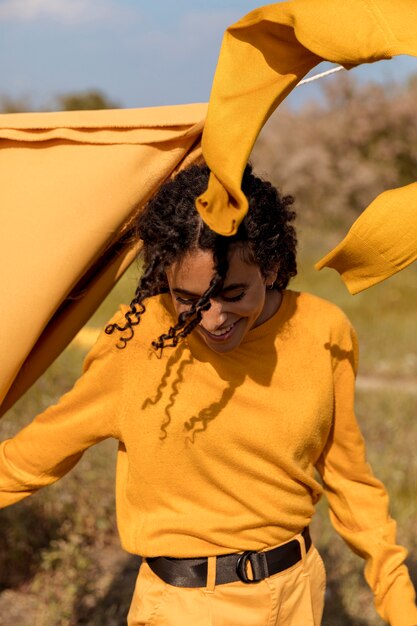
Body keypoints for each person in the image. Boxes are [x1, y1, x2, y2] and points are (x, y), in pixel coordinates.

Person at [0, 163, 416, 626]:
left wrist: (397, 599)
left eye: (233, 293)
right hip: (186, 608)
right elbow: (27, 461)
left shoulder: (323, 330)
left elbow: (349, 477)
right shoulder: (135, 341)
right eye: (188, 299)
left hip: (299, 594)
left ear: (272, 266)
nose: (212, 318)